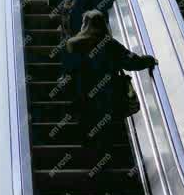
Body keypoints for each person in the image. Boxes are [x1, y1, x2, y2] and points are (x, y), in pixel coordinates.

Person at [64, 10, 157, 146]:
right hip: (106, 94)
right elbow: (132, 62)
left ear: (85, 24)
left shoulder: (72, 44)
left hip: (81, 92)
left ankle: (86, 150)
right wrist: (149, 60)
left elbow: (67, 69)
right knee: (104, 126)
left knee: (85, 121)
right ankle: (103, 153)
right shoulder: (110, 44)